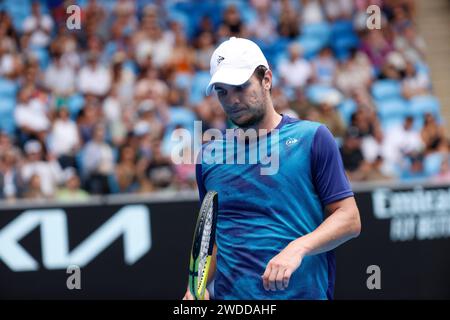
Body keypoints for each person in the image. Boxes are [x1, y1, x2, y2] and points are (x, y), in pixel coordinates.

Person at [183, 37, 361, 300]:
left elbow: (349, 219)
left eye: (241, 87)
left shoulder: (312, 138)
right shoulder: (209, 156)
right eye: (222, 91)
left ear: (266, 79)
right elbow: (215, 237)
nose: (231, 99)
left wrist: (298, 248)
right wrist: (193, 288)